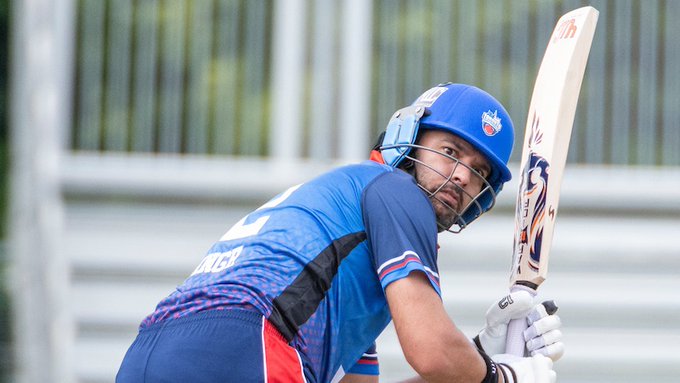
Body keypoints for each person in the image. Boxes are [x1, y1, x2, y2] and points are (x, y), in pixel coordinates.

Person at [116, 83, 564, 383]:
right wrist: (498, 375)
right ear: (408, 140)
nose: (463, 176)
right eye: (449, 151)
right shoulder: (395, 191)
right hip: (246, 343)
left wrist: (478, 354)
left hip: (150, 351)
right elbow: (430, 351)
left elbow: (432, 360)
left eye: (479, 171)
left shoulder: (347, 253)